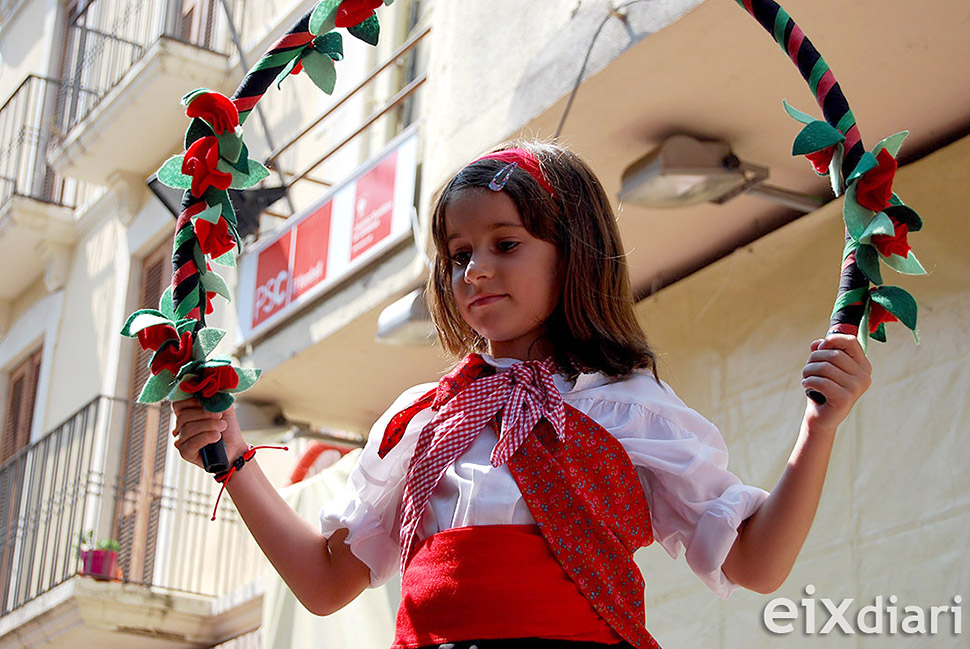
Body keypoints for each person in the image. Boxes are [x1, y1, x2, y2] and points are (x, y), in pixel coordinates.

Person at [172, 141, 872, 649]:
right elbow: (327, 586)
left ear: (575, 250)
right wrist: (232, 456)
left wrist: (822, 422)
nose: (475, 270)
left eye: (506, 243)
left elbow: (755, 561)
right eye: (457, 253)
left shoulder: (625, 405)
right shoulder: (420, 421)